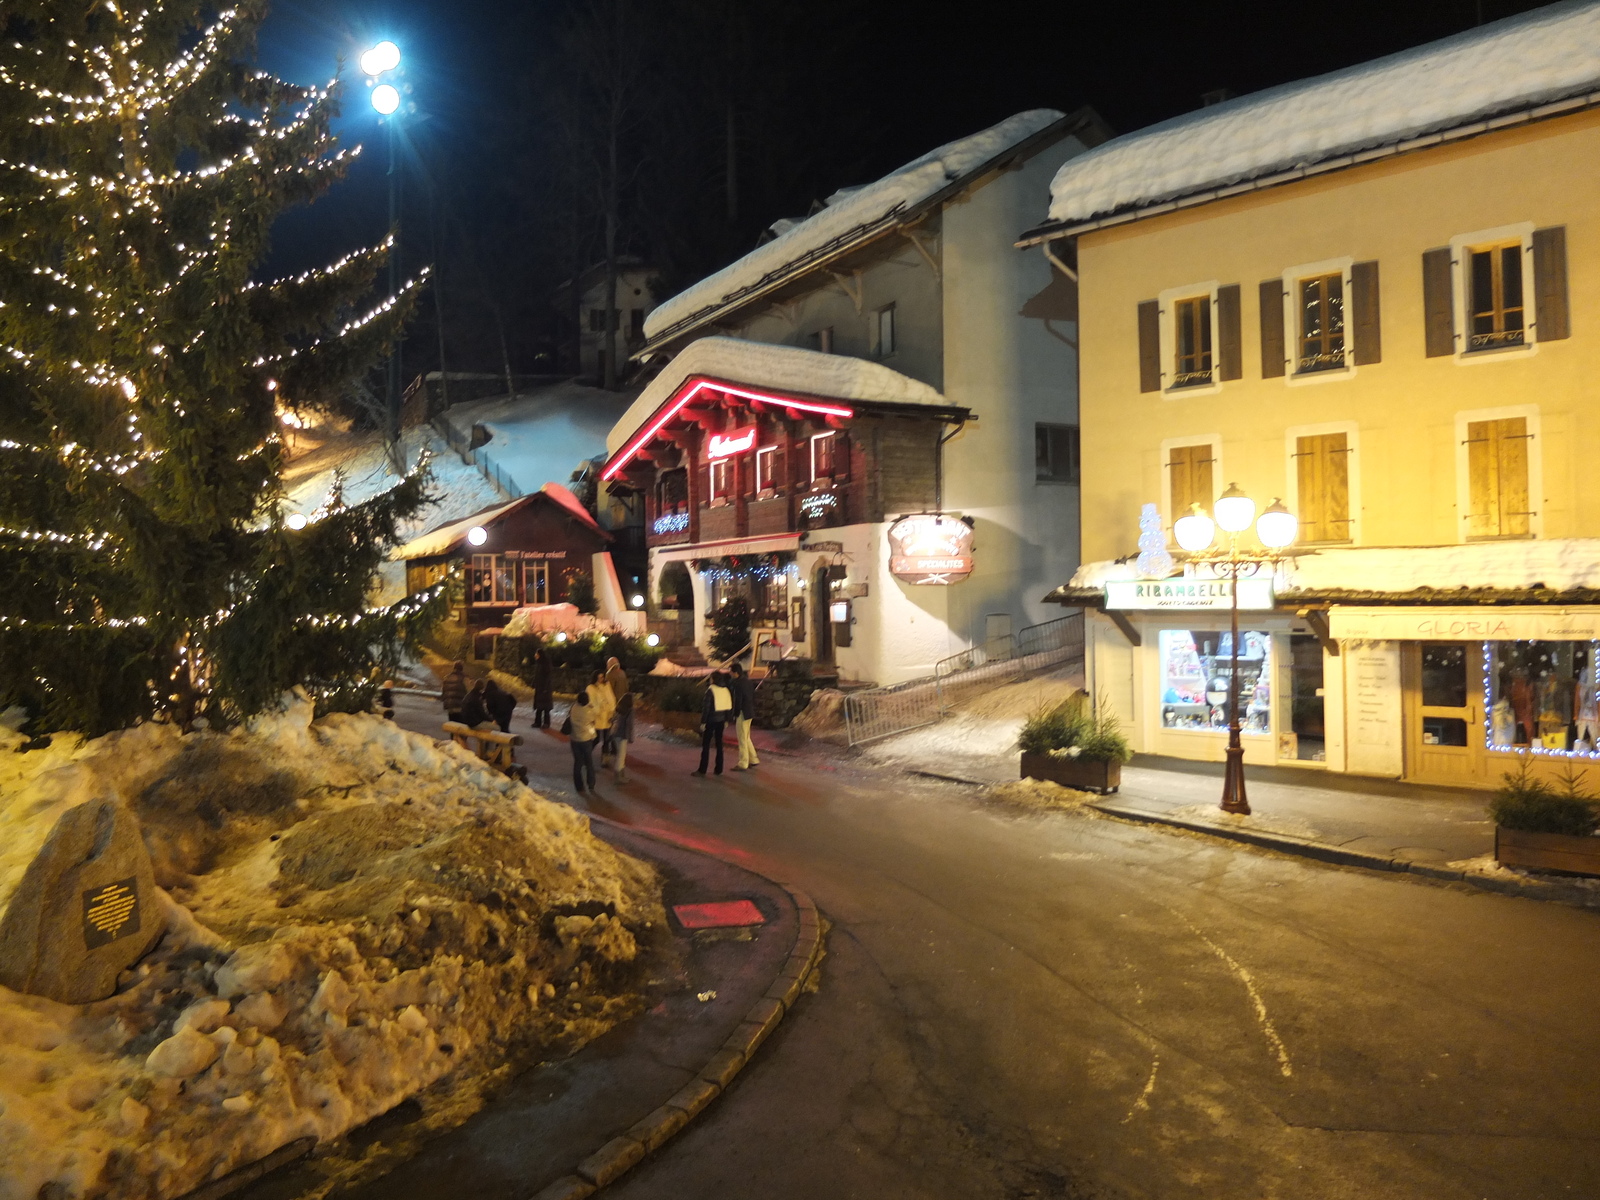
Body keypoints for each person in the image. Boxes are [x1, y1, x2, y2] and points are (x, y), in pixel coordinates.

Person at [695, 671, 734, 776]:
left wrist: (703, 722)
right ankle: (719, 769)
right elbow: (728, 707)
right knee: (719, 745)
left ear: (713, 679)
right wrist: (727, 720)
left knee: (706, 745)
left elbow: (706, 708)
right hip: (721, 721)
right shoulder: (725, 690)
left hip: (711, 720)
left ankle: (702, 769)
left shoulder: (711, 690)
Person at [729, 661, 760, 770]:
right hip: (749, 711)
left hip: (742, 712)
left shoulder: (738, 684)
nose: (730, 674)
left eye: (731, 671)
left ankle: (743, 763)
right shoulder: (747, 681)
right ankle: (753, 759)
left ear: (735, 672)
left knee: (742, 738)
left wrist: (735, 713)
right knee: (746, 737)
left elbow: (738, 700)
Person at [566, 688, 597, 794]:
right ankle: (591, 784)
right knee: (589, 762)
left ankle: (579, 786)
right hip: (586, 739)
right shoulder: (588, 711)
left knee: (578, 763)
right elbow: (593, 721)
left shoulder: (574, 708)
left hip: (574, 739)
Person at [589, 669, 617, 766]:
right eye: (599, 677)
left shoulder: (606, 686)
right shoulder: (591, 688)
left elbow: (611, 698)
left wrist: (611, 710)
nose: (601, 679)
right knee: (596, 738)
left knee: (606, 739)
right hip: (597, 717)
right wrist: (598, 708)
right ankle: (586, 754)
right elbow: (591, 702)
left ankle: (605, 760)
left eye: (602, 677)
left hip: (606, 716)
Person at [612, 690, 635, 784]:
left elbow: (613, 719)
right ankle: (619, 777)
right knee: (621, 757)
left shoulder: (619, 708)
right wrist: (631, 738)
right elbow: (630, 725)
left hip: (616, 734)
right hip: (623, 735)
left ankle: (621, 775)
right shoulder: (630, 710)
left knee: (619, 755)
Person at [531, 647, 554, 728]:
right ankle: (538, 722)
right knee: (539, 706)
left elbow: (547, 677)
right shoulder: (539, 664)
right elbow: (537, 675)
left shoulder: (545, 664)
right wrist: (534, 683)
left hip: (545, 689)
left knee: (545, 707)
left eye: (536, 654)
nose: (535, 655)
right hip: (539, 688)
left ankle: (546, 723)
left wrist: (545, 688)